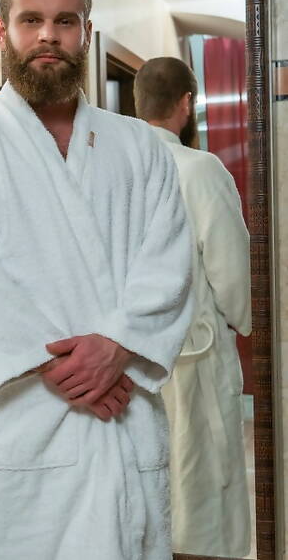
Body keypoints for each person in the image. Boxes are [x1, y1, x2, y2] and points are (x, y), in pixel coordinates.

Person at [0, 0, 193, 560]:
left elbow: (170, 265)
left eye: (65, 21)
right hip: (21, 420)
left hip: (121, 423)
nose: (48, 36)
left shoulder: (140, 147)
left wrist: (118, 345)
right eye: (30, 19)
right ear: (2, 30)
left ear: (86, 31)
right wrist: (65, 366)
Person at [134, 56, 252, 557]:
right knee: (202, 481)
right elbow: (230, 268)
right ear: (187, 102)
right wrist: (242, 320)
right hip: (195, 353)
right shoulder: (200, 170)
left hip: (133, 358)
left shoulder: (116, 170)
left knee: (149, 478)